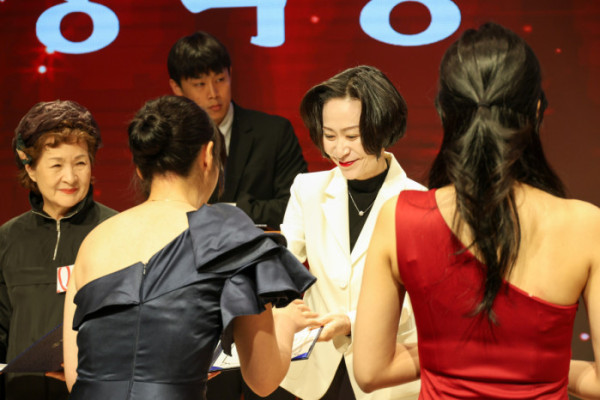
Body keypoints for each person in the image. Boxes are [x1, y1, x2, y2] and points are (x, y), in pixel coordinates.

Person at [354, 22, 600, 399]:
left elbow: (371, 371)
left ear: (445, 111)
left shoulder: (399, 216)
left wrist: (452, 356)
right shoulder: (585, 224)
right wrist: (539, 363)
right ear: (536, 109)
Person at [62, 95, 316, 400]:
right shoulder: (229, 233)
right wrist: (285, 323)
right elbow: (262, 379)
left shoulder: (93, 241)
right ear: (208, 155)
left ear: (141, 169)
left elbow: (75, 377)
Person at [278, 65, 423, 400]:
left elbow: (418, 300)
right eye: (330, 136)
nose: (339, 150)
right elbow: (282, 265)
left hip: (389, 372)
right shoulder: (308, 189)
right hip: (319, 371)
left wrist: (352, 321)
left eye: (352, 136)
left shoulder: (418, 201)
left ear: (382, 128)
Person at [0, 100, 117, 400]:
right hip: (21, 391)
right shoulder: (7, 238)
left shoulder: (116, 231)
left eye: (80, 163)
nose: (71, 177)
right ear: (30, 168)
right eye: (56, 165)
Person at [167, 31, 307, 230]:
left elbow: (297, 205)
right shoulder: (171, 141)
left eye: (220, 79)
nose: (213, 93)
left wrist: (228, 211)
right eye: (200, 84)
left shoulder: (274, 133)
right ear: (177, 88)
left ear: (230, 74)